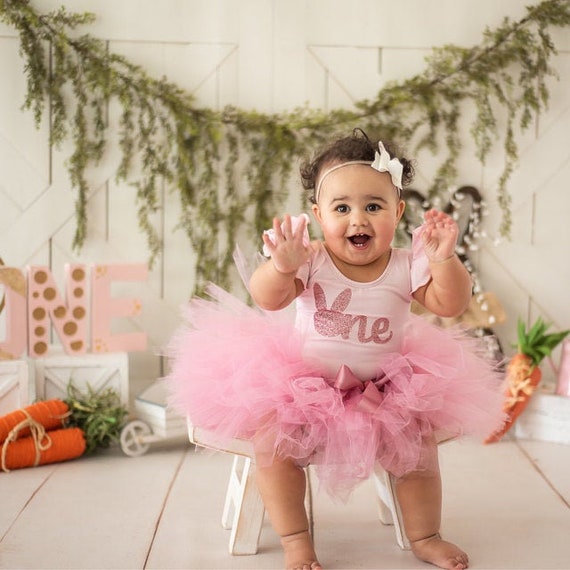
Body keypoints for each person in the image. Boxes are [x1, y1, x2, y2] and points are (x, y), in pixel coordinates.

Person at [166, 129, 505, 570]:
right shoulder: (312, 259)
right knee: (274, 446)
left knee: (418, 452)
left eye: (374, 206)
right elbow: (268, 298)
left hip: (384, 390)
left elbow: (451, 303)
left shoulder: (406, 265)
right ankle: (295, 540)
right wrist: (280, 267)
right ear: (318, 214)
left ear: (398, 212)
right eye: (341, 208)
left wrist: (444, 260)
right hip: (305, 389)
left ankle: (426, 534)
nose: (358, 219)